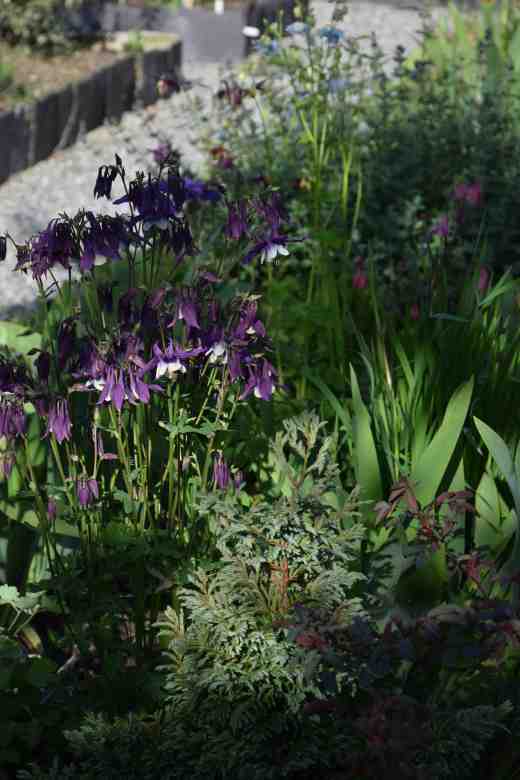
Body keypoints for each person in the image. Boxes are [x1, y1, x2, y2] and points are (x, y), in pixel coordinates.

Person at [242, 0, 309, 56]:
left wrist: (249, 51)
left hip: (271, 43)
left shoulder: (260, 4)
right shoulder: (290, 1)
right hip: (288, 39)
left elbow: (253, 29)